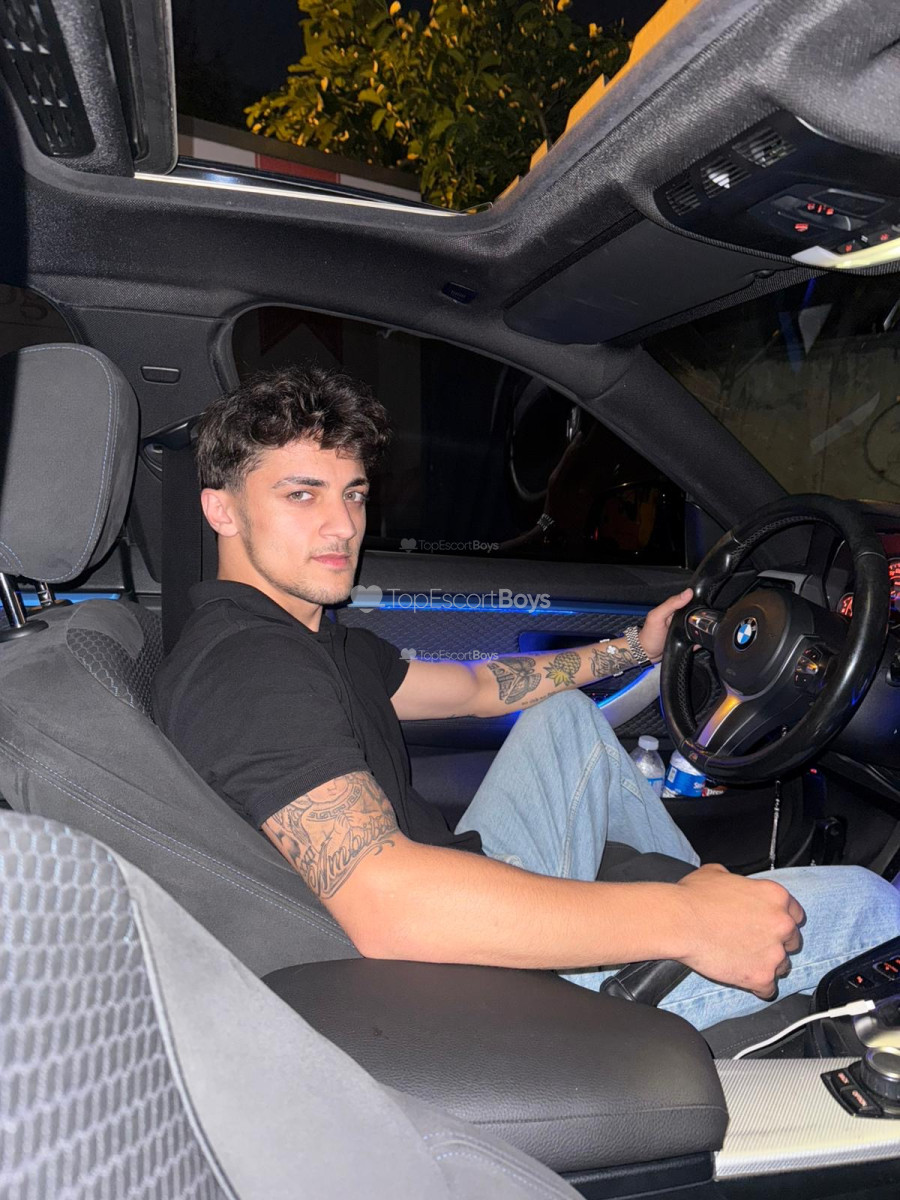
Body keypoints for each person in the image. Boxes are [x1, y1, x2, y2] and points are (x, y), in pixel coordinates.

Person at [152, 364, 900, 1031]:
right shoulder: (251, 667)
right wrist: (684, 919)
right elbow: (388, 907)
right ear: (222, 510)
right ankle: (703, 955)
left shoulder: (312, 639)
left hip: (450, 889)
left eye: (353, 494)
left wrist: (634, 649)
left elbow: (482, 689)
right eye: (301, 495)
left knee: (564, 719)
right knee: (868, 903)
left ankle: (716, 931)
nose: (343, 525)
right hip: (457, 984)